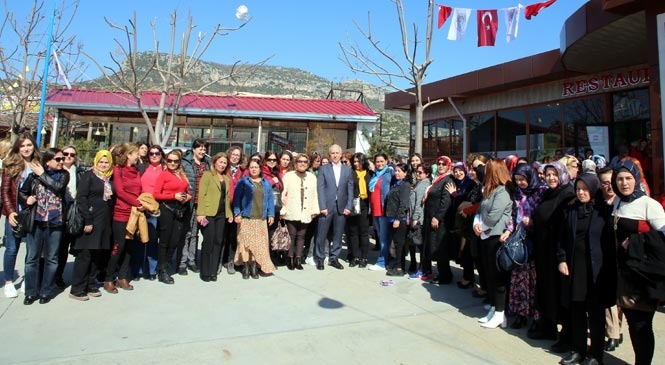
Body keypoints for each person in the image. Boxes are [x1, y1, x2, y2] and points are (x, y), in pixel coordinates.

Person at [557, 173, 615, 365]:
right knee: (577, 311)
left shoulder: (603, 211)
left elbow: (608, 242)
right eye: (578, 189)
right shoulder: (571, 209)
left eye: (585, 189)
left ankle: (596, 354)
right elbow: (562, 238)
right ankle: (578, 350)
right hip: (576, 267)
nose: (581, 193)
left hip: (596, 270)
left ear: (593, 189)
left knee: (596, 314)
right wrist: (562, 259)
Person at [612, 159, 665, 365]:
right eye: (620, 179)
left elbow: (662, 237)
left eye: (628, 178)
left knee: (642, 325)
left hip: (643, 276)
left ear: (636, 179)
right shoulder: (618, 202)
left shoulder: (648, 205)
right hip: (623, 275)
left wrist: (635, 241)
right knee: (633, 324)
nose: (624, 183)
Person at [529, 161, 576, 349]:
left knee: (562, 294)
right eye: (547, 174)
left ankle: (567, 336)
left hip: (559, 253)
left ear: (562, 174)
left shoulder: (568, 194)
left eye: (554, 174)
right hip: (543, 252)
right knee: (546, 290)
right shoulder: (548, 193)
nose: (551, 178)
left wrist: (561, 255)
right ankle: (547, 327)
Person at [19, 148, 69, 305]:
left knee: (52, 258)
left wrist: (42, 174)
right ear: (48, 161)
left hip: (55, 222)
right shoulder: (34, 176)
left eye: (63, 159)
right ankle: (30, 292)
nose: (62, 162)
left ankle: (46, 291)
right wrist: (26, 200)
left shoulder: (63, 175)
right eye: (58, 159)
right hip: (37, 221)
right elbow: (22, 192)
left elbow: (58, 188)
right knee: (31, 258)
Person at [69, 150, 114, 301]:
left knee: (96, 255)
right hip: (90, 221)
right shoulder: (89, 176)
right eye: (101, 162)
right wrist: (88, 220)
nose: (103, 164)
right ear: (96, 161)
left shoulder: (108, 178)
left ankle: (90, 284)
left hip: (103, 222)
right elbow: (81, 198)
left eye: (106, 162)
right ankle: (77, 288)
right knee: (85, 256)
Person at [473, 158, 513, 329]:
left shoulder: (502, 192)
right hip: (485, 236)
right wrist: (477, 222)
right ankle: (495, 309)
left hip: (496, 238)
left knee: (498, 277)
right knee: (489, 275)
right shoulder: (490, 190)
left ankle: (500, 312)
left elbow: (492, 217)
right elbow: (481, 210)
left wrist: (481, 224)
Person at [506, 163, 547, 329]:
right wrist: (509, 230)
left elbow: (544, 215)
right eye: (517, 180)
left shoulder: (541, 192)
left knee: (536, 282)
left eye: (523, 179)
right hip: (520, 241)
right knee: (519, 280)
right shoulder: (517, 193)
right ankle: (520, 313)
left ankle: (537, 317)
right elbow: (513, 215)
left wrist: (532, 222)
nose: (521, 183)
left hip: (536, 241)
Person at [2, 133, 41, 298]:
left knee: (32, 250)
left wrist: (41, 174)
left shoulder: (39, 164)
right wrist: (10, 212)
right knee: (12, 248)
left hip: (34, 214)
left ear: (34, 146)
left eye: (29, 145)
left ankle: (28, 279)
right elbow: (4, 192)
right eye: (23, 145)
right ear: (18, 147)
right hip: (16, 213)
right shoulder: (10, 165)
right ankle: (9, 282)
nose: (26, 148)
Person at [104, 143, 142, 294]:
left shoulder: (136, 171)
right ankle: (108, 278)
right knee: (118, 247)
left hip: (135, 214)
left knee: (129, 247)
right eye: (136, 154)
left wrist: (143, 203)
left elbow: (139, 189)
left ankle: (122, 276)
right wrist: (137, 203)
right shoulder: (118, 170)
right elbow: (120, 191)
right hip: (121, 213)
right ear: (128, 155)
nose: (138, 156)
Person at [153, 149, 192, 284]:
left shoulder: (181, 174)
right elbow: (156, 194)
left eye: (175, 161)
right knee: (165, 240)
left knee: (175, 240)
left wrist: (188, 196)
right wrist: (172, 196)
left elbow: (187, 190)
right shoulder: (163, 175)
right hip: (167, 209)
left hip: (180, 209)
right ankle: (162, 270)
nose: (172, 163)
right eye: (169, 160)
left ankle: (167, 263)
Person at [233, 159, 276, 279]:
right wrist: (237, 214)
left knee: (258, 245)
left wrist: (271, 214)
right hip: (246, 218)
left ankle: (254, 266)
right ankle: (246, 267)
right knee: (245, 244)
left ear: (260, 168)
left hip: (260, 219)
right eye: (251, 167)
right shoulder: (243, 182)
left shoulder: (265, 183)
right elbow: (237, 199)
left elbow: (270, 200)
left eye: (256, 167)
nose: (254, 169)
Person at [315, 144, 354, 270]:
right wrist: (322, 206)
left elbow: (350, 189)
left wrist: (349, 206)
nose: (335, 155)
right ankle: (320, 258)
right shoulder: (323, 169)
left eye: (337, 153)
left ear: (341, 154)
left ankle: (334, 258)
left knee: (338, 234)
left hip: (341, 207)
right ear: (329, 154)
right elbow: (320, 189)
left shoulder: (347, 170)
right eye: (333, 153)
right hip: (326, 206)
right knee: (322, 233)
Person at [597, 168, 623, 352]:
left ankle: (618, 330)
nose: (609, 186)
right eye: (605, 182)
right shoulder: (598, 202)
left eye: (611, 181)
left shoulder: (623, 202)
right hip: (604, 256)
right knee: (609, 298)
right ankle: (613, 333)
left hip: (622, 257)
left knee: (620, 299)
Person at [196, 152, 232, 282]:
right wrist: (200, 213)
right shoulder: (207, 175)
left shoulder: (226, 179)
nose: (222, 165)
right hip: (209, 213)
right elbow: (202, 195)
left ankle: (213, 271)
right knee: (208, 242)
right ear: (215, 162)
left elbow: (226, 198)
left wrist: (229, 214)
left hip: (222, 215)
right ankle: (205, 271)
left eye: (224, 163)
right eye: (220, 162)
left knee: (218, 242)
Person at [281, 153, 319, 270]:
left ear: (307, 164)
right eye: (300, 161)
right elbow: (283, 193)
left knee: (301, 236)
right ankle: (290, 258)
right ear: (295, 164)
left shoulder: (312, 177)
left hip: (306, 211)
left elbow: (315, 195)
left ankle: (298, 258)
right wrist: (283, 208)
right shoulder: (288, 176)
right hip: (292, 210)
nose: (302, 164)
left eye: (305, 162)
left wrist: (315, 209)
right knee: (292, 235)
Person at [420, 156, 454, 283]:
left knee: (440, 248)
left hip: (440, 220)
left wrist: (437, 217)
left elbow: (446, 201)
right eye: (439, 164)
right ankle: (442, 273)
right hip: (431, 217)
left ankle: (445, 275)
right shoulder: (438, 179)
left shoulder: (448, 180)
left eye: (443, 164)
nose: (440, 166)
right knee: (434, 247)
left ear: (448, 166)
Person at [179, 139, 210, 276]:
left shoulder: (207, 163)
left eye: (204, 149)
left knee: (195, 233)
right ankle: (182, 262)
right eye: (200, 148)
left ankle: (192, 260)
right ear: (193, 149)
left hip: (202, 203)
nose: (202, 151)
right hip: (189, 202)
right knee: (186, 233)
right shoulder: (185, 162)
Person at [54, 145, 83, 288]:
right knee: (58, 247)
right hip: (58, 210)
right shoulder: (55, 171)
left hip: (73, 211)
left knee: (69, 245)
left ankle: (60, 275)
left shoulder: (79, 172)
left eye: (72, 154)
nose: (69, 157)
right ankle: (53, 275)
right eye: (66, 154)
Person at [134, 145, 164, 281]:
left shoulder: (165, 169)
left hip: (156, 209)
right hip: (141, 208)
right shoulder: (142, 168)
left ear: (161, 154)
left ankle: (152, 269)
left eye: (157, 153)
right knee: (139, 239)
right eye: (151, 153)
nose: (154, 155)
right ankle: (138, 269)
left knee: (152, 239)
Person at [445, 162, 477, 287]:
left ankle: (468, 278)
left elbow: (467, 202)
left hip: (466, 223)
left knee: (465, 251)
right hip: (457, 221)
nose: (458, 173)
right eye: (456, 171)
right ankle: (466, 275)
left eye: (460, 170)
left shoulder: (470, 184)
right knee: (460, 250)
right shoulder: (455, 183)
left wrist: (454, 194)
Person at [367, 153, 395, 271]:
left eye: (382, 161)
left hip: (384, 210)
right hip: (375, 210)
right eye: (377, 162)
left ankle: (382, 262)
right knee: (380, 236)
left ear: (386, 161)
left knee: (384, 238)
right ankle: (385, 260)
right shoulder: (375, 175)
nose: (379, 164)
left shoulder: (389, 173)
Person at [384, 163, 411, 276]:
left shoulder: (405, 185)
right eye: (396, 170)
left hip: (399, 220)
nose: (397, 173)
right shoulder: (395, 184)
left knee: (400, 244)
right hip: (391, 218)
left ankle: (400, 268)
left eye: (400, 171)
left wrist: (398, 219)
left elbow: (403, 204)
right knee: (395, 243)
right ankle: (396, 264)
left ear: (405, 173)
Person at [221, 146, 244, 274]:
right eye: (233, 154)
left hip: (237, 207)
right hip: (224, 206)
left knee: (233, 236)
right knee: (222, 235)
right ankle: (220, 259)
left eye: (238, 155)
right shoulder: (224, 168)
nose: (235, 157)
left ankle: (231, 260)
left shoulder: (242, 171)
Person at [347, 152, 372, 268]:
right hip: (353, 204)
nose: (356, 164)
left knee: (364, 232)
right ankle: (355, 256)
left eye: (358, 161)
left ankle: (364, 257)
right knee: (353, 232)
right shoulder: (350, 173)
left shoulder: (369, 173)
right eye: (354, 162)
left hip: (365, 204)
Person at [408, 163, 431, 278]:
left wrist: (415, 218)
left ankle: (423, 269)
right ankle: (422, 268)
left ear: (427, 174)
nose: (418, 174)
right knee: (416, 244)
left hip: (419, 220)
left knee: (420, 245)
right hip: (416, 218)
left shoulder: (423, 185)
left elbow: (419, 204)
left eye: (420, 172)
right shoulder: (419, 183)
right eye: (417, 172)